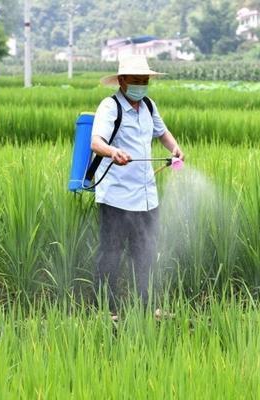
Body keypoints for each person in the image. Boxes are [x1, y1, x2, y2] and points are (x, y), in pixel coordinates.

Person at [90, 55, 184, 318]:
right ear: (121, 81)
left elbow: (162, 132)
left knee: (146, 253)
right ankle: (105, 310)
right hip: (117, 195)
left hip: (146, 195)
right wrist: (113, 152)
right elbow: (96, 142)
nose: (141, 85)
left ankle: (149, 306)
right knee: (111, 254)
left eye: (145, 81)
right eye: (136, 80)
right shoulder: (110, 108)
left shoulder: (148, 106)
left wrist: (174, 147)